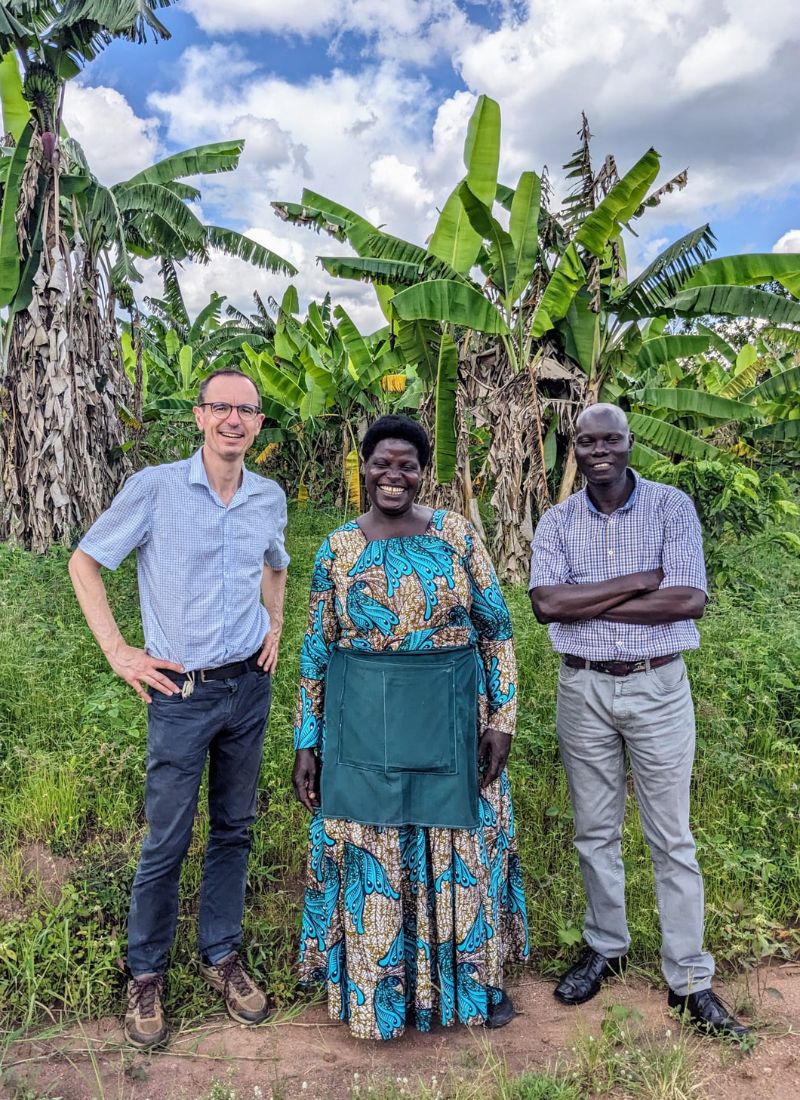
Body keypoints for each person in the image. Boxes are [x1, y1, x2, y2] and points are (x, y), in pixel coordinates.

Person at [68, 369, 289, 1049]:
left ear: (257, 424)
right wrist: (119, 652)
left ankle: (222, 954)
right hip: (180, 693)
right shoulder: (157, 488)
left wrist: (274, 625)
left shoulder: (268, 496)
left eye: (245, 410)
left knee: (234, 827)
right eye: (220, 407)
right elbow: (85, 562)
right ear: (199, 416)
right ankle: (145, 973)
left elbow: (276, 564)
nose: (232, 419)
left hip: (247, 687)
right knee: (166, 838)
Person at [291, 414, 529, 1040]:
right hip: (361, 721)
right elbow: (317, 647)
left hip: (451, 717)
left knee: (458, 847)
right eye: (382, 462)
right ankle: (377, 998)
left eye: (407, 465)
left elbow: (496, 628)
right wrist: (306, 742)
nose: (393, 475)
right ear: (363, 468)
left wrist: (501, 720)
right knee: (375, 850)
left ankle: (463, 991)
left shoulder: (457, 536)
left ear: (424, 473)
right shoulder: (337, 548)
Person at [528, 403, 748, 1038]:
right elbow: (546, 604)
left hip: (656, 685)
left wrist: (591, 602)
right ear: (574, 448)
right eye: (586, 441)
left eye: (611, 439)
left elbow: (688, 599)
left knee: (671, 838)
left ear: (630, 444)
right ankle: (606, 945)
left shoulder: (671, 507)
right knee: (593, 830)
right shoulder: (557, 519)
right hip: (583, 688)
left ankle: (689, 979)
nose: (599, 450)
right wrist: (639, 583)